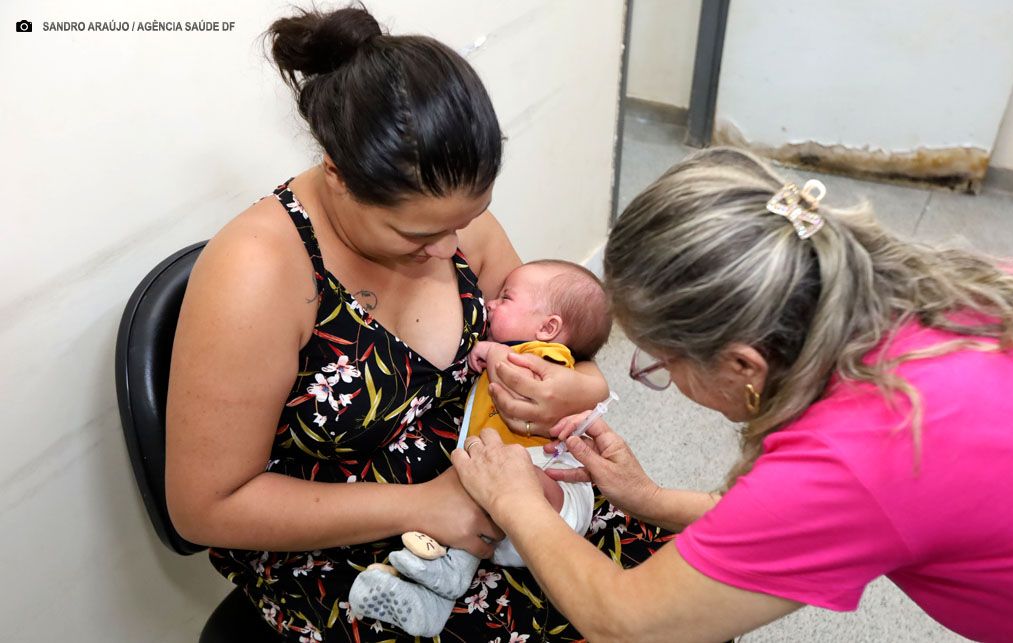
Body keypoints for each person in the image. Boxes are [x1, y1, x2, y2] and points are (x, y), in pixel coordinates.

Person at [165, 6, 668, 642]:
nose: (452, 247)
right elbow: (205, 507)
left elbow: (557, 341)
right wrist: (427, 504)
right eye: (418, 233)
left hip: (498, 487)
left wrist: (581, 385)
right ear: (337, 173)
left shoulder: (448, 219)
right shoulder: (258, 272)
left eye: (466, 220)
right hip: (355, 548)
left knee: (670, 598)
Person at [453, 147, 1013, 642]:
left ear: (743, 365)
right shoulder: (968, 296)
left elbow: (627, 623)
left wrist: (516, 501)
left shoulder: (858, 452)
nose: (664, 376)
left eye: (662, 363)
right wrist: (650, 500)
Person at [348, 260, 612, 637]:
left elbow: (522, 376)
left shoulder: (549, 357)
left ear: (548, 328)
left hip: (555, 496)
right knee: (473, 505)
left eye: (506, 298)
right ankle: (432, 597)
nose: (491, 303)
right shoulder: (525, 344)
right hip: (502, 526)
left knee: (507, 478)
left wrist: (494, 351)